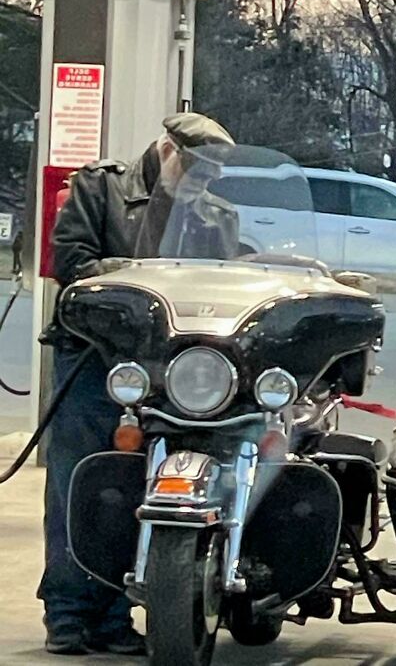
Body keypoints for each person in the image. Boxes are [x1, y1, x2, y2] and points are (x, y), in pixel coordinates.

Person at [39, 113, 236, 656]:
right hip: (94, 361)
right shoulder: (99, 188)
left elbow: (227, 282)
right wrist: (138, 278)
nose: (203, 185)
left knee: (145, 491)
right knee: (79, 485)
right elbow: (72, 264)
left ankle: (114, 615)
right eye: (196, 170)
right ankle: (69, 613)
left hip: (171, 371)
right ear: (168, 150)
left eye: (212, 177)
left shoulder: (216, 216)